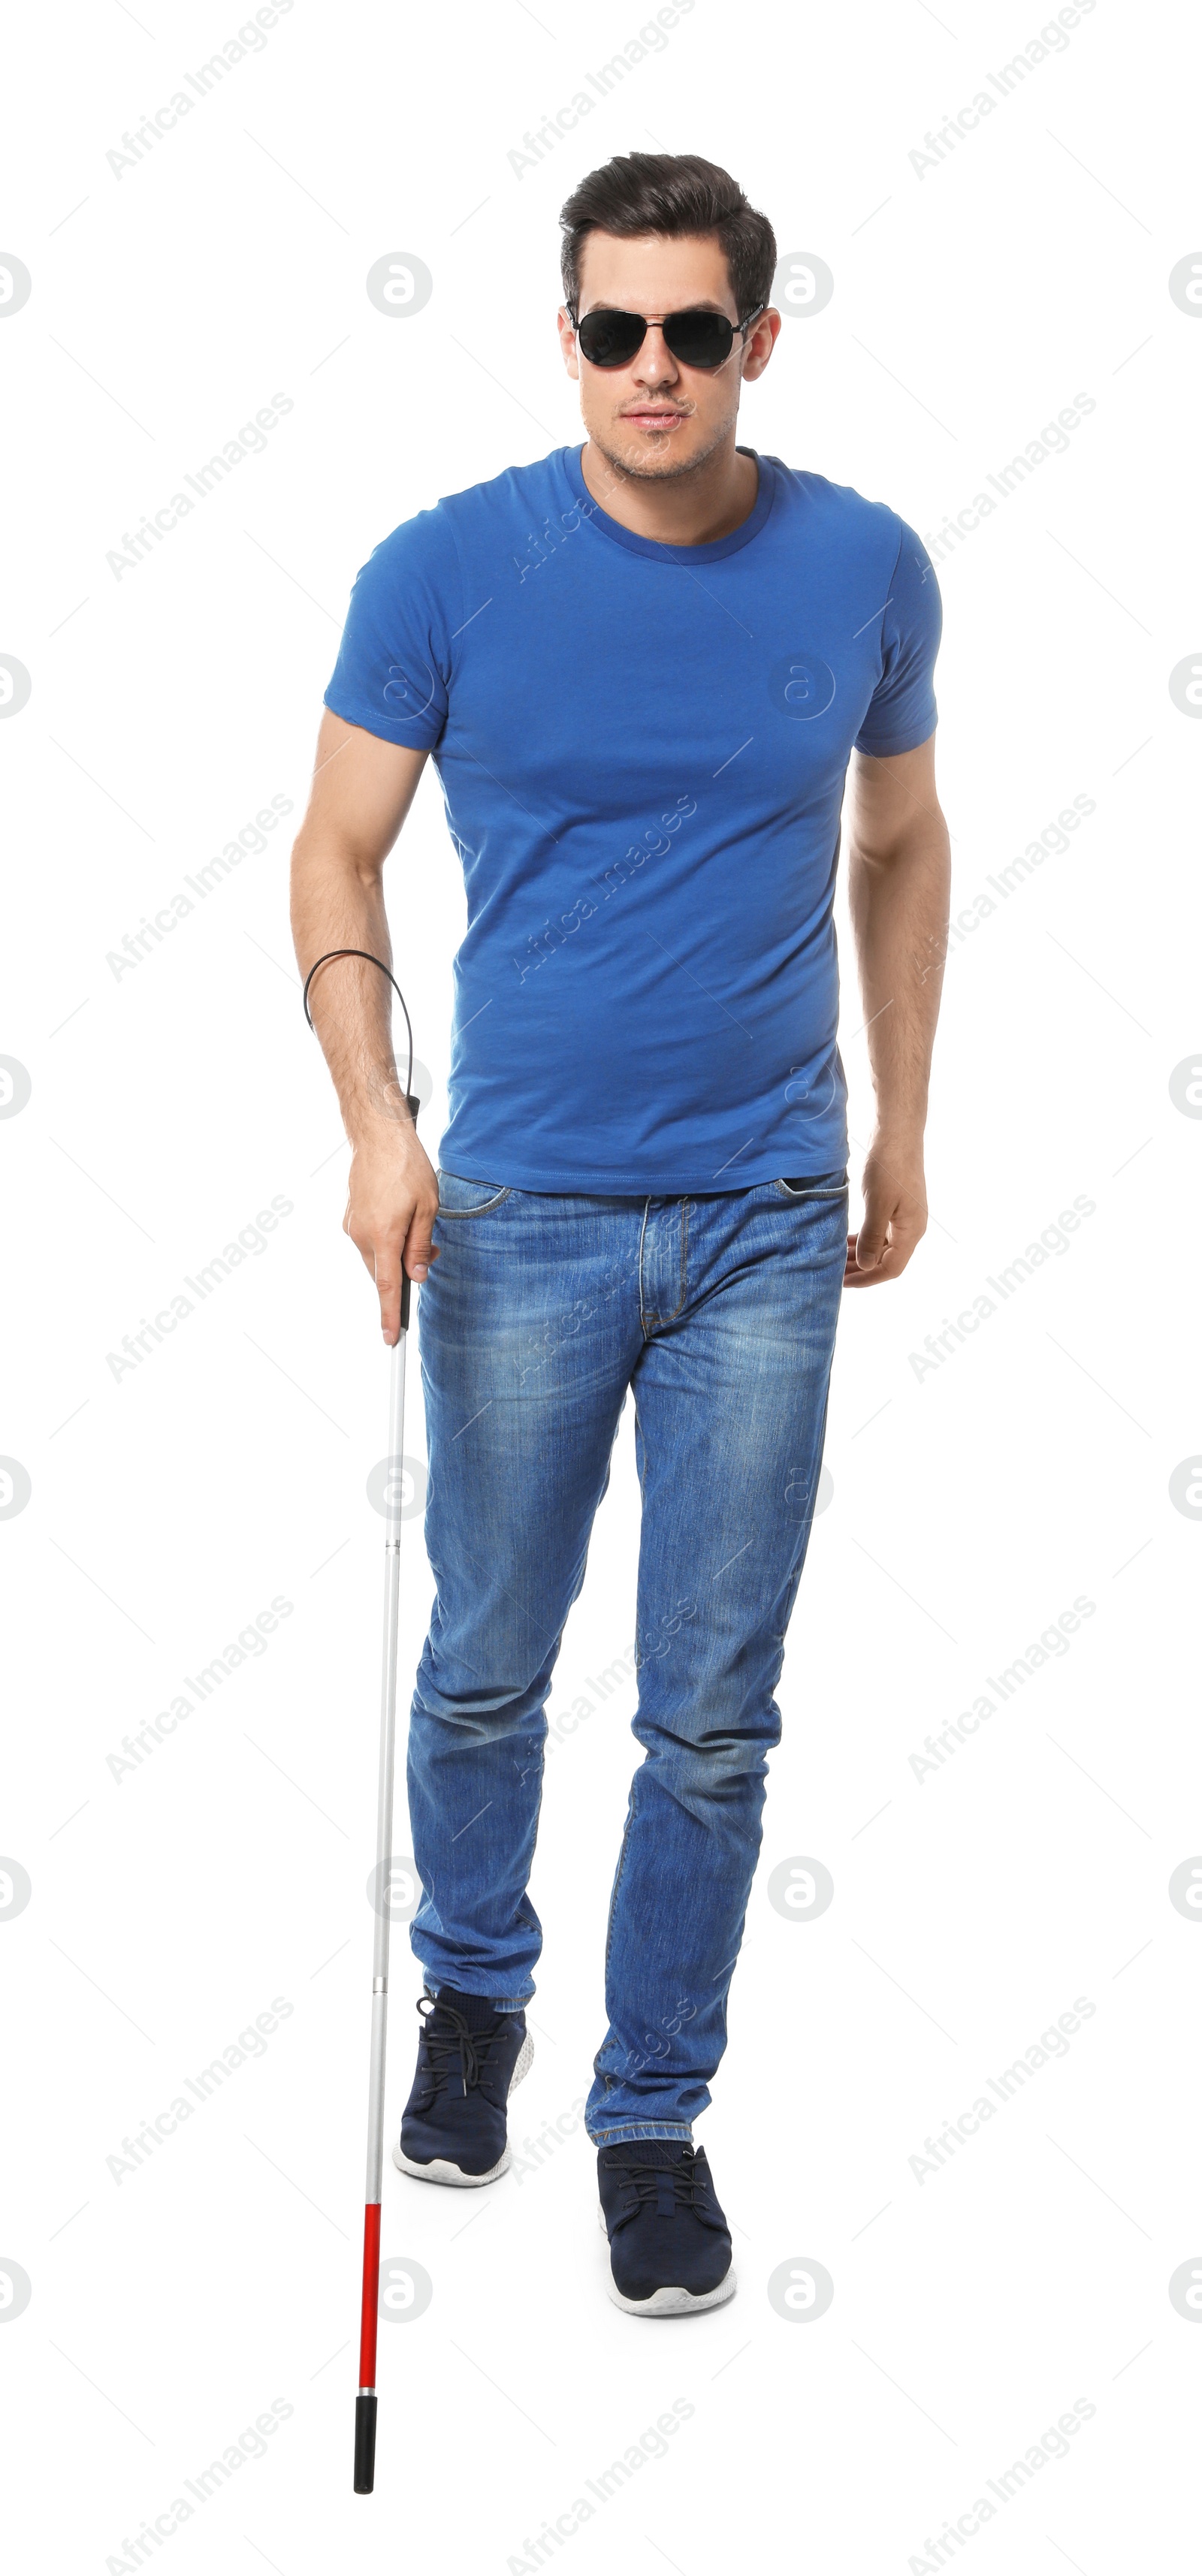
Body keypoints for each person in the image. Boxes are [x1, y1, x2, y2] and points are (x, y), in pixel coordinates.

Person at [290, 151, 949, 2318]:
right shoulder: (445, 570)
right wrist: (381, 1127)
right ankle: (476, 1984)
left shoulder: (862, 566)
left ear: (757, 336)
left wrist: (905, 1129)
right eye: (610, 328)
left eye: (691, 331)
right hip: (520, 1214)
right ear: (565, 330)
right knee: (485, 1666)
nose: (649, 369)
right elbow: (336, 861)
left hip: (767, 1213)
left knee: (714, 1714)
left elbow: (904, 832)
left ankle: (651, 2112)